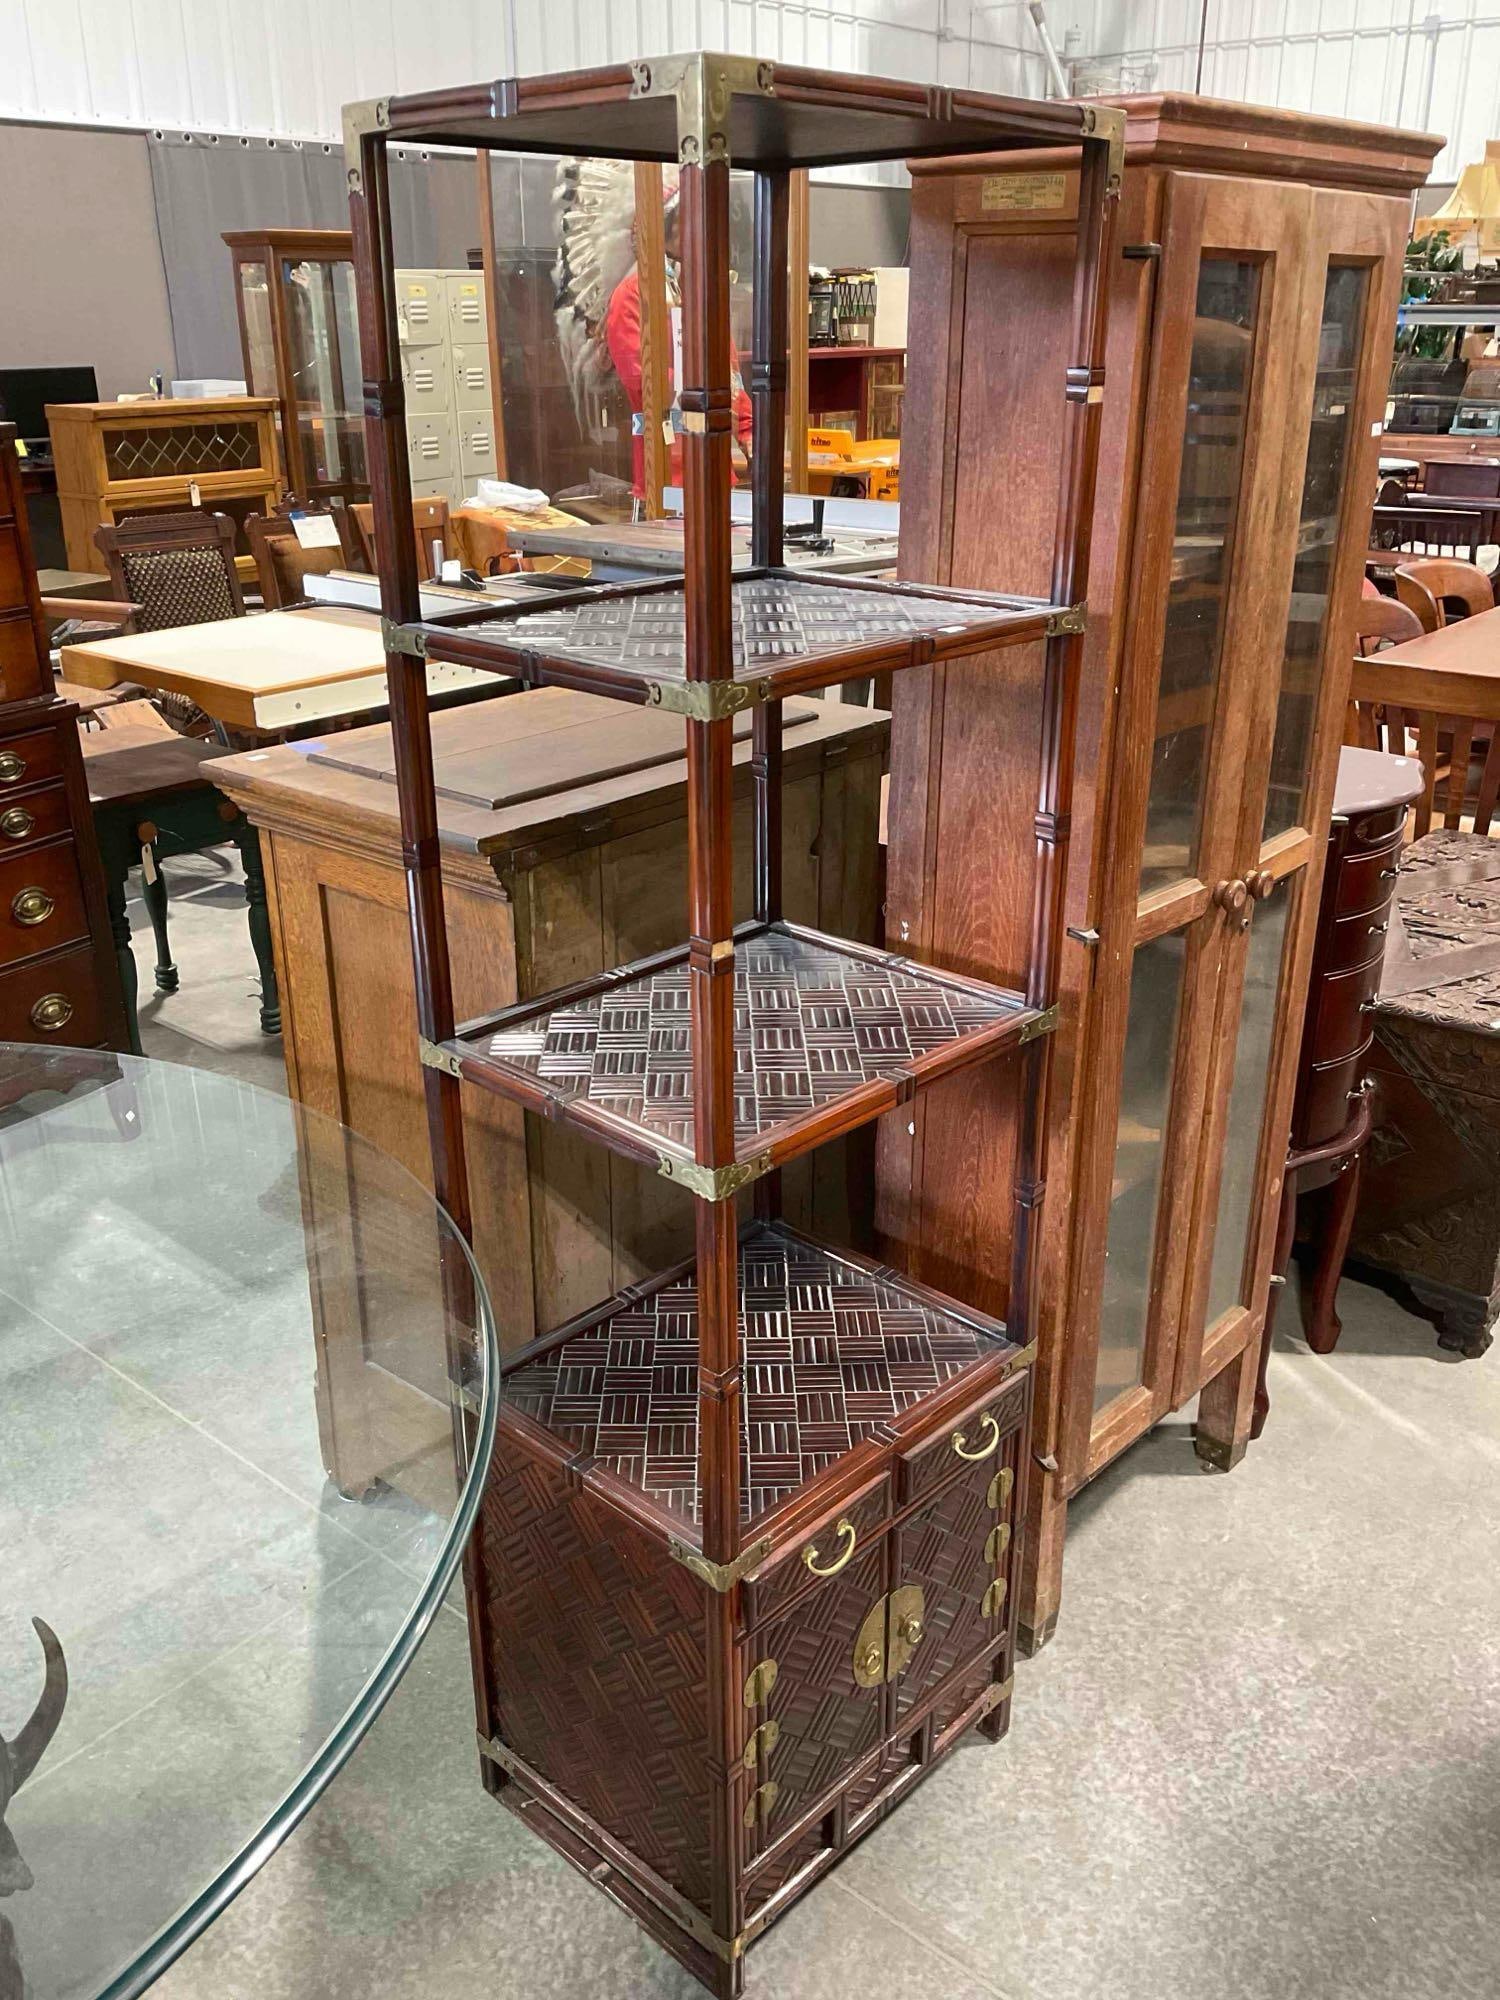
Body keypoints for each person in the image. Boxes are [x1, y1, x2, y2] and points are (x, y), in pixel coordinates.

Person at [604, 189, 753, 501]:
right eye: (683, 220)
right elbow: (643, 380)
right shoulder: (631, 296)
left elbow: (730, 372)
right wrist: (706, 391)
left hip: (715, 467)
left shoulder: (702, 295)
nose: (693, 231)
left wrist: (748, 431)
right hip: (664, 471)